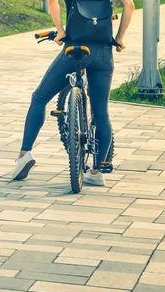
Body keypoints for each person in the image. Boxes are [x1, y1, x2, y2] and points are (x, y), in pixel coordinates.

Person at [12, 0, 134, 187]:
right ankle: (97, 170)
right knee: (101, 112)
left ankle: (25, 153)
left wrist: (60, 31)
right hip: (103, 54)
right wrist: (119, 38)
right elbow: (130, 5)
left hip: (74, 48)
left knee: (40, 98)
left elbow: (52, 1)